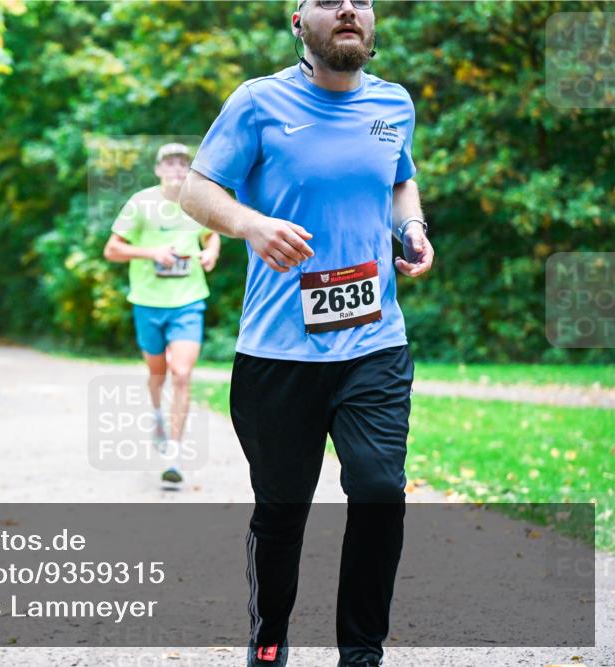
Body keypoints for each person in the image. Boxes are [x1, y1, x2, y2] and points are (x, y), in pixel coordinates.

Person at [179, 1, 434, 665]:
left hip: (374, 342)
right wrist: (250, 225)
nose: (348, 7)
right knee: (282, 510)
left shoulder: (393, 105)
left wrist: (412, 229)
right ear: (299, 21)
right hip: (277, 353)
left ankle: (361, 652)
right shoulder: (258, 103)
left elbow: (401, 181)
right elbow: (198, 191)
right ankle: (268, 640)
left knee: (379, 487)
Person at [103, 143, 221, 486]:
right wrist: (151, 252)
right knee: (157, 372)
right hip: (148, 302)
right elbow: (112, 249)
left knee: (180, 372)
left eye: (183, 163)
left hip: (188, 301)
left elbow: (211, 234)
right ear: (158, 170)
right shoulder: (141, 203)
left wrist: (210, 252)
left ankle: (174, 453)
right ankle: (157, 414)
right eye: (170, 163)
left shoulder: (197, 202)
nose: (177, 169)